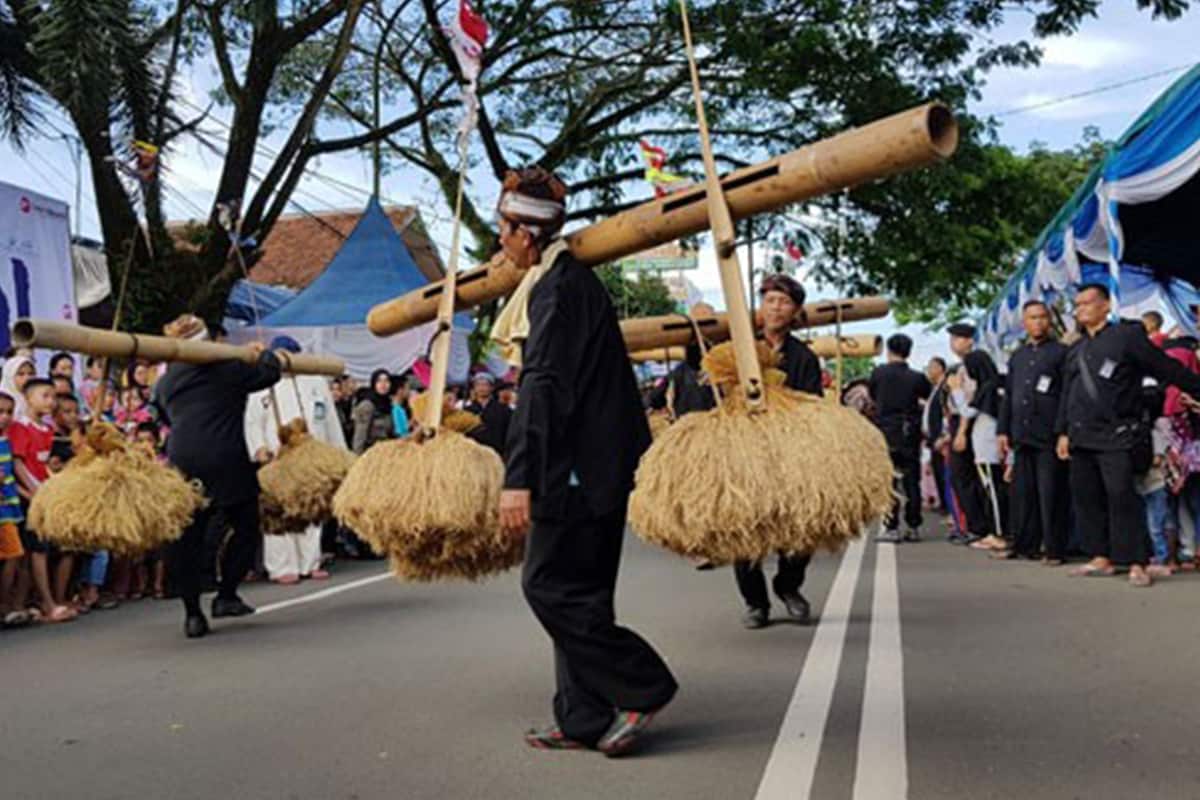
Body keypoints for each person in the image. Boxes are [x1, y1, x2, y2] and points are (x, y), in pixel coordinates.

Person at [493, 166, 676, 756]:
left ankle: (643, 685)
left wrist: (518, 477)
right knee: (584, 592)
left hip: (573, 470)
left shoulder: (560, 289)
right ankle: (581, 716)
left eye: (503, 227)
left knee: (546, 585)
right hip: (594, 466)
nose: (499, 239)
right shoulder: (565, 282)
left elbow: (543, 384)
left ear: (527, 233)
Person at [1057, 283, 1200, 587]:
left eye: (1087, 303)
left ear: (1106, 306)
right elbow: (1067, 394)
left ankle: (1137, 560)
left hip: (1118, 433)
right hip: (1081, 435)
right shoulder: (1076, 349)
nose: (1080, 309)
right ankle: (1100, 556)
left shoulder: (1126, 337)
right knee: (1087, 498)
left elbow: (1165, 368)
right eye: (1077, 304)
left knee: (1122, 497)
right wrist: (1063, 432)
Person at [155, 315, 282, 637]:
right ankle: (225, 594)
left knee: (188, 539)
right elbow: (269, 372)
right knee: (247, 527)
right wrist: (261, 352)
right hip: (226, 455)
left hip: (182, 457)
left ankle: (193, 614)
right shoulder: (226, 365)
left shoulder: (168, 380)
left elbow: (161, 411)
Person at [733, 273, 822, 629]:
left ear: (795, 311)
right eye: (770, 300)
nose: (776, 307)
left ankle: (788, 586)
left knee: (801, 530)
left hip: (790, 451)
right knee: (744, 532)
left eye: (784, 302)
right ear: (761, 306)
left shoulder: (804, 357)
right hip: (745, 449)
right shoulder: (738, 346)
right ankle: (756, 604)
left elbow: (812, 404)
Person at [244, 336, 343, 585]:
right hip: (278, 458)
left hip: (311, 455)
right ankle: (281, 566)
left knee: (311, 509)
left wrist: (338, 453)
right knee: (278, 513)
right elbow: (252, 420)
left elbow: (329, 418)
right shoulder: (263, 383)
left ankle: (311, 561)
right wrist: (259, 448)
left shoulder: (315, 381)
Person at [996, 301, 1069, 563]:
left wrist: (1063, 430)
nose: (1037, 322)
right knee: (1021, 494)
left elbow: (1066, 396)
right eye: (1031, 318)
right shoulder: (1018, 356)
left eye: (1041, 317)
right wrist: (1003, 430)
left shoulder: (1061, 352)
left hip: (1048, 433)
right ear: (1024, 323)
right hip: (1021, 433)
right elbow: (1009, 396)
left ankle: (1053, 548)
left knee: (1050, 493)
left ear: (1048, 320)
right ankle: (1022, 544)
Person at [10, 378, 76, 623]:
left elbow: (44, 462)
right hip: (29, 497)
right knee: (36, 551)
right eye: (44, 396)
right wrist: (32, 491)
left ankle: (26, 603)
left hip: (44, 494)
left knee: (39, 551)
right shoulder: (20, 427)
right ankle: (48, 603)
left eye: (52, 396)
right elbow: (18, 463)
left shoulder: (47, 431)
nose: (50, 401)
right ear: (28, 398)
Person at [947, 323, 1007, 550]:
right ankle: (996, 530)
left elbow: (966, 410)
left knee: (992, 488)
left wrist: (956, 390)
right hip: (984, 445)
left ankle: (998, 533)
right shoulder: (992, 388)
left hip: (986, 445)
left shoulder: (987, 391)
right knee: (990, 487)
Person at [870, 333, 932, 543]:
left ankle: (891, 527)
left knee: (889, 482)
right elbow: (927, 397)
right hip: (909, 433)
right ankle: (913, 526)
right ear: (909, 352)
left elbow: (872, 396)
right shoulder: (916, 377)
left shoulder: (878, 374)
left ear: (889, 350)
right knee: (912, 480)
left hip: (885, 432)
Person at [0, 391, 29, 627]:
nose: (5, 417)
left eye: (9, 412)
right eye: (0, 412)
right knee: (14, 555)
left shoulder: (6, 443)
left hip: (9, 509)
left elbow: (11, 477)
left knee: (14, 556)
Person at [646, 342, 717, 419]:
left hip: (692, 421)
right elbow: (655, 397)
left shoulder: (678, 372)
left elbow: (655, 397)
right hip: (703, 421)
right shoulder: (717, 370)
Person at [922, 357, 951, 514]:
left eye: (932, 366)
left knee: (945, 475)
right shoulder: (934, 389)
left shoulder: (945, 388)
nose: (929, 370)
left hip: (942, 438)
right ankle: (944, 505)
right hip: (932, 438)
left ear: (940, 368)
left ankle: (948, 508)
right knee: (938, 473)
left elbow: (947, 414)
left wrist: (944, 435)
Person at [464, 372, 513, 455]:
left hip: (496, 453)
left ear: (491, 388)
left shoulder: (503, 410)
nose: (481, 388)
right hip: (473, 454)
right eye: (478, 385)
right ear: (474, 388)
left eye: (485, 385)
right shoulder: (467, 411)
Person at [351, 369, 394, 454]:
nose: (383, 384)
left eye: (386, 381)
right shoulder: (367, 405)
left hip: (384, 452)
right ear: (374, 384)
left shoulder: (387, 405)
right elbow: (360, 435)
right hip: (370, 453)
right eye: (379, 381)